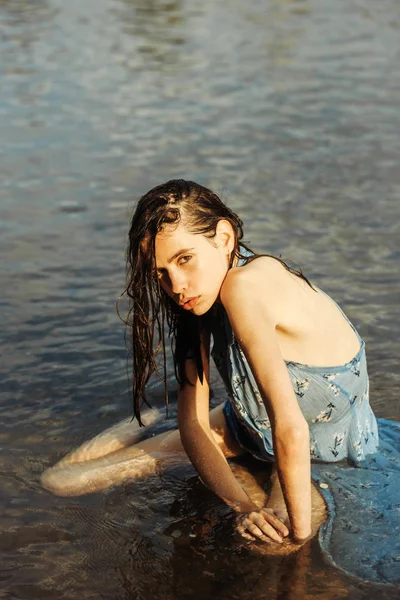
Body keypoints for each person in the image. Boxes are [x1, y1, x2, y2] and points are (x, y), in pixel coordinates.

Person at [41, 179, 392, 559]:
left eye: (184, 259)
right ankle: (141, 426)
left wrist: (299, 540)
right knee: (60, 482)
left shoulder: (245, 285)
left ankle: (227, 462)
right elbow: (193, 425)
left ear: (224, 238)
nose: (175, 285)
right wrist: (243, 506)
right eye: (160, 272)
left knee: (276, 547)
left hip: (315, 451)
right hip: (244, 428)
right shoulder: (194, 299)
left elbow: (290, 426)